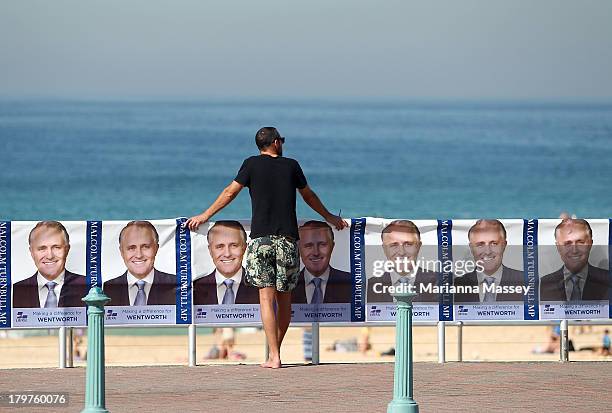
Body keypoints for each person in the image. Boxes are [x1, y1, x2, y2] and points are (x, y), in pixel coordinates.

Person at [186, 126, 347, 368]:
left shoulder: (250, 165)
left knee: (265, 298)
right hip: (287, 241)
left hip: (261, 240)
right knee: (284, 299)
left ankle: (274, 355)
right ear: (274, 143)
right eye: (281, 140)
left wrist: (205, 215)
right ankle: (275, 353)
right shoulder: (291, 165)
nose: (282, 143)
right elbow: (309, 196)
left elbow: (230, 192)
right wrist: (330, 217)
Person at [13, 221, 87, 308]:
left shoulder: (88, 287)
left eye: (57, 247)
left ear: (67, 249)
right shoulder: (15, 290)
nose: (50, 256)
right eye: (42, 248)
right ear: (32, 252)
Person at [103, 221, 176, 306]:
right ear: (122, 251)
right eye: (131, 248)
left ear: (156, 248)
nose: (139, 255)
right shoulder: (108, 288)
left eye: (146, 247)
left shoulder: (177, 285)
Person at [366, 220, 438, 303]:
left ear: (418, 246)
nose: (401, 252)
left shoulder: (440, 282)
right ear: (384, 249)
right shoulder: (369, 286)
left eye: (408, 244)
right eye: (394, 245)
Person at [454, 219, 524, 303]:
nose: (487, 251)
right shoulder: (455, 285)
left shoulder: (525, 281)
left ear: (504, 245)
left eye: (494, 243)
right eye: (480, 245)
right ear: (471, 248)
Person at [540, 219, 608, 302]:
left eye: (580, 242)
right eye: (567, 243)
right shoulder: (544, 284)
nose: (574, 250)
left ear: (590, 244)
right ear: (558, 247)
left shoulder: (608, 280)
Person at [193, 221, 259, 305]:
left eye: (234, 245)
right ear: (210, 250)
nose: (227, 254)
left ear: (244, 247)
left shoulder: (261, 287)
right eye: (220, 247)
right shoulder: (194, 289)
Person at [292, 220, 351, 304]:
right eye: (308, 246)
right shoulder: (287, 286)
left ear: (332, 246)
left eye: (322, 244)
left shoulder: (351, 283)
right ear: (298, 248)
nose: (316, 252)